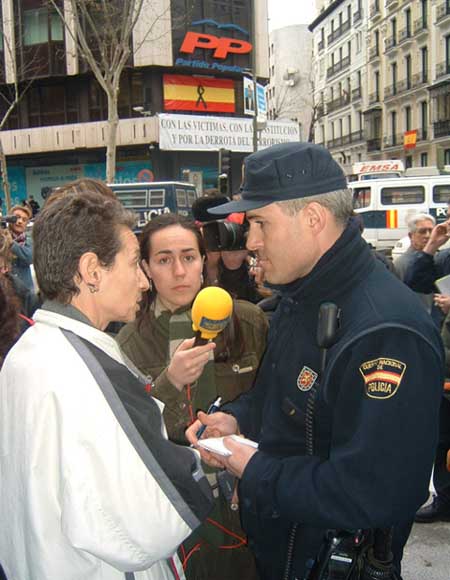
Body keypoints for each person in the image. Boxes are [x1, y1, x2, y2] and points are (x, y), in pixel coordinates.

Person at [186, 142, 445, 580]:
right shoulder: (301, 295)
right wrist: (234, 420)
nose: (250, 242)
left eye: (259, 223)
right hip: (283, 551)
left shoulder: (386, 333)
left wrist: (255, 471)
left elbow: (375, 493)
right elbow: (276, 395)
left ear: (313, 219)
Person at [0, 189, 213, 580]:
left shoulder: (30, 351)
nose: (144, 281)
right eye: (134, 263)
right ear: (92, 271)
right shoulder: (84, 370)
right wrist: (208, 462)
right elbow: (150, 519)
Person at [117, 213, 268, 580]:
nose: (179, 271)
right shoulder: (129, 343)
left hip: (250, 497)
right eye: (164, 260)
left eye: (189, 257)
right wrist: (169, 381)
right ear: (147, 269)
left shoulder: (247, 321)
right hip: (178, 508)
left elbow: (272, 404)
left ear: (205, 261)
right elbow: (133, 439)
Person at [402, 215, 450, 523]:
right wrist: (432, 245)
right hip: (444, 358)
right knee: (442, 434)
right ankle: (445, 498)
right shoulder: (446, 257)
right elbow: (414, 283)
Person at [394, 213, 435, 314]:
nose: (428, 235)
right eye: (422, 231)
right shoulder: (402, 264)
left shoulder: (439, 258)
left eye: (431, 231)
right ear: (411, 235)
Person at [8, 204, 34, 291]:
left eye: (24, 220)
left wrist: (12, 244)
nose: (20, 221)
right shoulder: (2, 238)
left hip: (26, 291)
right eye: (17, 217)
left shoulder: (29, 240)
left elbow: (30, 258)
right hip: (7, 291)